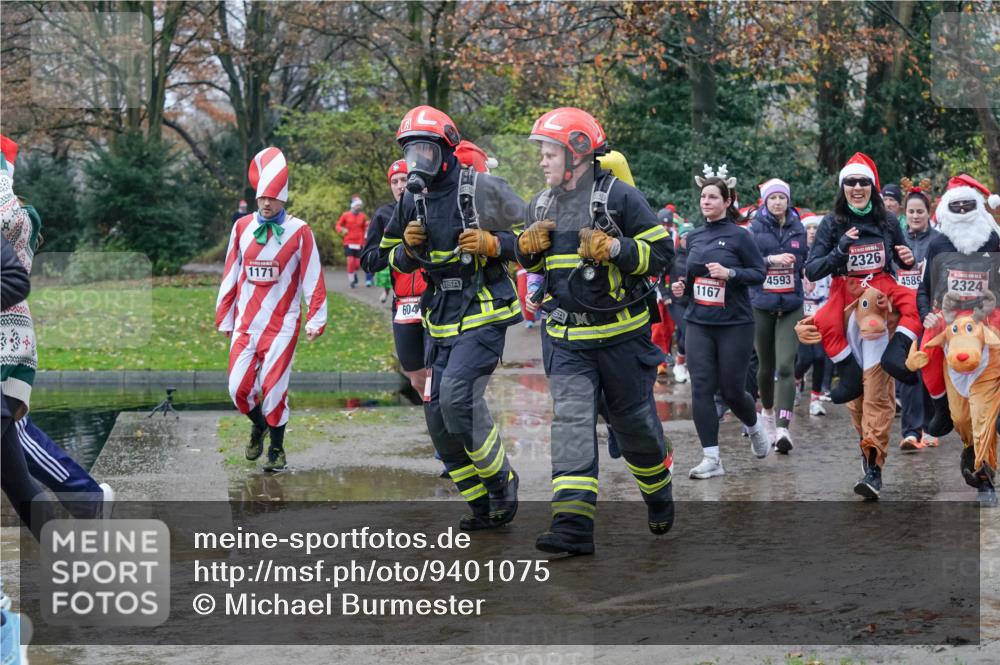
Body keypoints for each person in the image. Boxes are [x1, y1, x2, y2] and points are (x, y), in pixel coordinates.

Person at [515, 106, 674, 556]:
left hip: (622, 340)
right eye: (542, 153)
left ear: (579, 152)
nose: (543, 162)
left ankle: (658, 490)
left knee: (635, 427)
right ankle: (572, 525)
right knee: (570, 426)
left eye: (550, 153)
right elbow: (534, 265)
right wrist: (524, 251)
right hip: (567, 343)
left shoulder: (621, 198)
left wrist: (618, 247)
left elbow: (663, 254)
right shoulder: (540, 204)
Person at [379, 106, 523, 532]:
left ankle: (502, 480)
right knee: (439, 421)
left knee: (458, 398)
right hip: (439, 317)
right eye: (411, 152)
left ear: (446, 150)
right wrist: (405, 249)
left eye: (425, 149)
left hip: (484, 310)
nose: (417, 161)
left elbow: (537, 238)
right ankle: (482, 506)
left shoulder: (484, 188)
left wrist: (495, 244)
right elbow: (387, 259)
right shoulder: (409, 199)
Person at [800, 153, 922, 499]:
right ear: (843, 187)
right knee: (856, 398)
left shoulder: (887, 220)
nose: (857, 188)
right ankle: (865, 445)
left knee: (878, 392)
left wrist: (905, 256)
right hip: (846, 307)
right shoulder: (832, 223)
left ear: (873, 186)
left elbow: (900, 257)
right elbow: (812, 270)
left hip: (880, 308)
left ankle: (873, 467)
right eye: (851, 182)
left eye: (863, 182)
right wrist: (840, 250)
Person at [216, 147, 328, 472]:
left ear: (284, 199)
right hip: (246, 324)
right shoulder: (241, 228)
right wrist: (224, 316)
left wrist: (316, 318)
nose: (266, 203)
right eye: (262, 197)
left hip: (283, 325)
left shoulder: (300, 231)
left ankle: (277, 450)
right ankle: (259, 424)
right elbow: (230, 273)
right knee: (237, 389)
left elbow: (313, 277)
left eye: (273, 198)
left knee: (274, 388)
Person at [670, 165, 769, 479]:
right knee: (701, 387)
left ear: (728, 201)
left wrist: (732, 274)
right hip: (699, 321)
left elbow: (759, 273)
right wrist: (681, 289)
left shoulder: (741, 236)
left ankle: (753, 426)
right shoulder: (694, 237)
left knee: (731, 390)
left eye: (713, 197)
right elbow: (690, 278)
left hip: (734, 324)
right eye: (703, 197)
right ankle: (711, 459)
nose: (706, 201)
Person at [915, 174, 1000, 439]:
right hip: (947, 318)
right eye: (957, 207)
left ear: (977, 207)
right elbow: (923, 289)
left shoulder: (993, 241)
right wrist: (926, 315)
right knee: (925, 349)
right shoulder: (937, 244)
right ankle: (940, 406)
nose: (962, 211)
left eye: (967, 206)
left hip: (987, 314)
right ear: (946, 209)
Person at [361, 159, 430, 397]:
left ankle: (443, 425)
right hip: (403, 304)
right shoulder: (384, 215)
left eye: (405, 179)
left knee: (437, 371)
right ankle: (435, 415)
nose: (401, 186)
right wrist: (401, 251)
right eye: (395, 181)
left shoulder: (432, 208)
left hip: (434, 300)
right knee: (416, 377)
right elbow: (368, 261)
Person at [749, 178, 809, 453]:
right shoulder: (754, 228)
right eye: (772, 198)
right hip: (761, 304)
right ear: (765, 201)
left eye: (781, 198)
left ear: (788, 200)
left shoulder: (798, 228)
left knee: (786, 366)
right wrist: (770, 261)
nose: (777, 202)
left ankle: (784, 429)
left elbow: (806, 261)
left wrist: (807, 275)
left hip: (791, 304)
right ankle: (768, 414)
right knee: (765, 366)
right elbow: (746, 262)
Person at [895, 186, 939, 451]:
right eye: (911, 211)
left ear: (928, 212)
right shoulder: (898, 240)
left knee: (929, 369)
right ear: (905, 213)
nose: (915, 216)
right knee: (908, 370)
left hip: (931, 314)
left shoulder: (939, 240)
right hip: (903, 314)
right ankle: (911, 432)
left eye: (920, 211)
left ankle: (931, 427)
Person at [794, 213, 833, 416]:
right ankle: (797, 379)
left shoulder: (827, 253)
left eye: (814, 229)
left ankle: (815, 399)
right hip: (802, 310)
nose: (811, 232)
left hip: (822, 310)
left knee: (819, 357)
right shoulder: (798, 254)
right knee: (804, 358)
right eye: (807, 229)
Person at [667, 222, 692, 383]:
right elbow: (660, 277)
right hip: (675, 302)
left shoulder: (697, 254)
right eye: (685, 237)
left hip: (692, 300)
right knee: (688, 332)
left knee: (684, 335)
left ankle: (681, 364)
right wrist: (664, 295)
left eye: (691, 237)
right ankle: (682, 365)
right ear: (680, 238)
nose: (688, 240)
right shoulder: (672, 256)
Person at [336, 196, 369, 288]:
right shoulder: (345, 215)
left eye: (360, 205)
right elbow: (338, 225)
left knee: (357, 264)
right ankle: (352, 281)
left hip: (359, 242)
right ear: (353, 206)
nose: (359, 207)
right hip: (348, 242)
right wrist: (341, 230)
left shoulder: (362, 216)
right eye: (357, 205)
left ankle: (354, 273)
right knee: (350, 261)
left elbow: (365, 228)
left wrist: (365, 237)